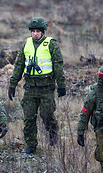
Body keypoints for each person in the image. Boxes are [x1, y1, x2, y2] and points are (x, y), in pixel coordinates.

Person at [8, 17, 66, 154]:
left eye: (38, 31)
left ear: (43, 31)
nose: (35, 34)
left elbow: (58, 65)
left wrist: (61, 85)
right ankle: (31, 145)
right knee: (29, 117)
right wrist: (12, 85)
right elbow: (19, 66)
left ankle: (53, 133)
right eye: (33, 31)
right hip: (30, 87)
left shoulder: (51, 44)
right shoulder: (26, 44)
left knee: (46, 114)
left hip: (46, 87)